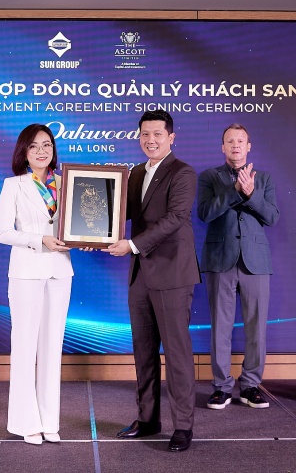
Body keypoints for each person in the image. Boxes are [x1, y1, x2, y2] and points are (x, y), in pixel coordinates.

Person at [106, 109, 200, 452]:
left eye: (157, 134)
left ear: (171, 137)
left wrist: (131, 245)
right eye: (145, 134)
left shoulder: (183, 172)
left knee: (176, 353)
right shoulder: (134, 173)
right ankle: (148, 419)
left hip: (172, 273)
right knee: (143, 350)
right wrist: (93, 230)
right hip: (141, 275)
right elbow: (120, 213)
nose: (150, 140)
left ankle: (183, 426)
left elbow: (175, 218)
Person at [0, 124, 73, 445]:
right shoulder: (13, 184)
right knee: (25, 348)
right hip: (26, 271)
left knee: (53, 348)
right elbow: (3, 233)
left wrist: (87, 238)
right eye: (34, 146)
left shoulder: (68, 182)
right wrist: (40, 239)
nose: (42, 151)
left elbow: (82, 223)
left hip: (60, 271)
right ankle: (26, 422)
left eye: (47, 145)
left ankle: (49, 420)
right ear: (24, 152)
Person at [197, 124, 279, 410]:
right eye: (230, 141)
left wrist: (252, 193)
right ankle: (221, 387)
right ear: (223, 147)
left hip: (256, 262)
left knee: (256, 328)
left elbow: (272, 217)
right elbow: (205, 213)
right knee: (220, 327)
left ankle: (251, 385)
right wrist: (235, 191)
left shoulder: (264, 179)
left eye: (240, 141)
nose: (235, 145)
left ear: (248, 146)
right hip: (220, 259)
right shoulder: (209, 177)